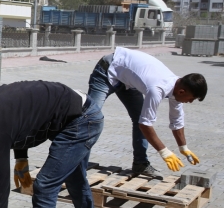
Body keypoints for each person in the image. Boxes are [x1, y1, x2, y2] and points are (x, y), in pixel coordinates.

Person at [87, 47, 206, 179]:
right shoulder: (157, 88)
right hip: (108, 69)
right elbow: (145, 125)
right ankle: (75, 163)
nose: (190, 102)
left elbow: (177, 121)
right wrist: (164, 152)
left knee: (138, 117)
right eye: (191, 99)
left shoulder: (178, 87)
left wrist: (183, 147)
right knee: (90, 119)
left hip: (128, 80)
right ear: (182, 92)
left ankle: (140, 164)